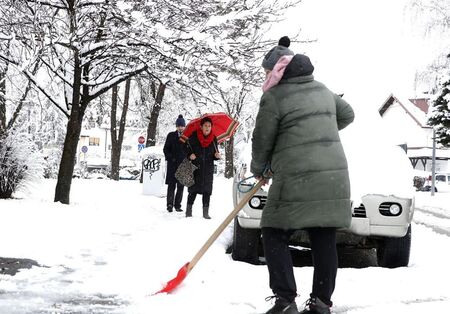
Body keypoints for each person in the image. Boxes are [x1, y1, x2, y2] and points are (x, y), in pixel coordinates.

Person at [251, 36, 355, 314]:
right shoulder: (322, 90)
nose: (264, 76)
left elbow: (262, 139)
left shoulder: (274, 97)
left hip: (296, 176)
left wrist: (260, 169)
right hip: (333, 177)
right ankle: (321, 303)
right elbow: (347, 114)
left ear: (277, 71)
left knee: (273, 231)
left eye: (266, 71)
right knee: (323, 238)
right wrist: (319, 134)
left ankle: (285, 300)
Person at [184, 117, 221, 219]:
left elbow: (215, 153)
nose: (207, 128)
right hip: (196, 168)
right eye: (205, 126)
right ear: (201, 126)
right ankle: (188, 211)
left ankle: (205, 213)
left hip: (208, 169)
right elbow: (185, 149)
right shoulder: (193, 137)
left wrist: (216, 156)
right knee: (193, 190)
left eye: (209, 126)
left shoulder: (213, 139)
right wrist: (189, 155)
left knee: (207, 191)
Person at [163, 114, 186, 213]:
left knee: (181, 186)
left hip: (183, 165)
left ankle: (177, 205)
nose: (180, 128)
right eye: (179, 126)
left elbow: (190, 150)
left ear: (184, 126)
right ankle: (169, 204)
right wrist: (170, 158)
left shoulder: (187, 137)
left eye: (182, 126)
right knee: (171, 185)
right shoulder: (171, 135)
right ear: (176, 126)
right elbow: (165, 149)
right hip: (172, 165)